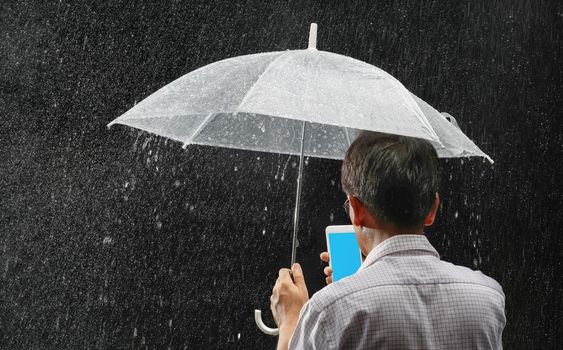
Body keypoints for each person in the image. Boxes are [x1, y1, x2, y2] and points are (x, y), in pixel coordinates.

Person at [270, 131, 506, 349]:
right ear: (432, 209)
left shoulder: (329, 309)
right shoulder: (487, 297)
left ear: (357, 209)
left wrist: (290, 323)